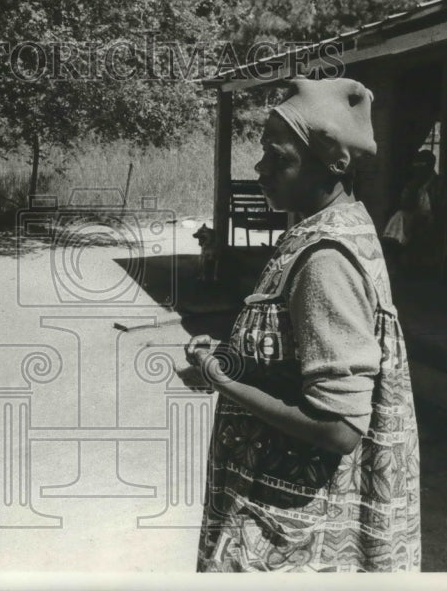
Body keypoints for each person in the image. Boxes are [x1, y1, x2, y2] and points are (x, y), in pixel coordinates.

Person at [174, 78, 421, 572]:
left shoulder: (325, 258)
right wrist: (239, 358)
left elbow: (339, 428)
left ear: (335, 165)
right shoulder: (332, 224)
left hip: (292, 527)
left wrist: (220, 378)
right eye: (263, 152)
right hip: (287, 509)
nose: (260, 168)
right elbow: (304, 346)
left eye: (278, 157)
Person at [382, 148, 445, 275]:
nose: (418, 169)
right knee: (400, 215)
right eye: (416, 166)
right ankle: (393, 245)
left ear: (430, 166)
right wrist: (412, 189)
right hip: (414, 214)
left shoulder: (439, 184)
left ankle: (393, 246)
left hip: (431, 216)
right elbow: (404, 204)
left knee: (402, 217)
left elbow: (442, 206)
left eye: (421, 166)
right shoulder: (414, 183)